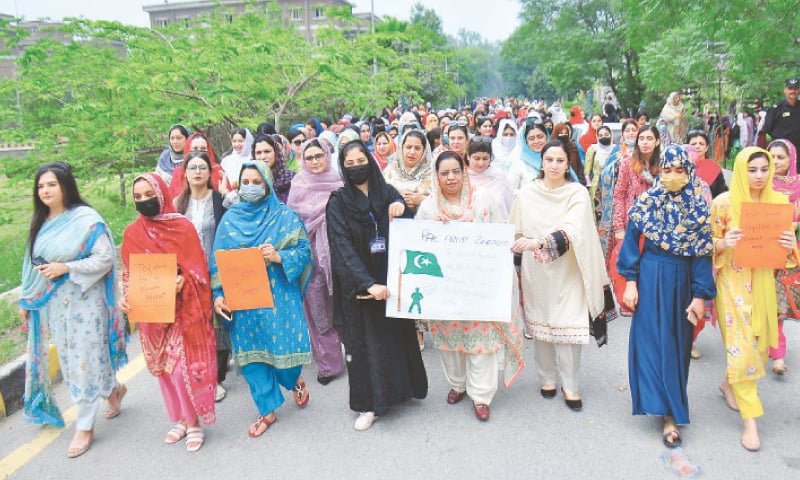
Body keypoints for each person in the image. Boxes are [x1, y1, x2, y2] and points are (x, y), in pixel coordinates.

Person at [20, 162, 128, 458]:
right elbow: (31, 265)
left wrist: (66, 267)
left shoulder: (86, 220)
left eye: (51, 184)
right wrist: (27, 300)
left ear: (65, 186)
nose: (45, 191)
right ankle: (113, 390)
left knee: (85, 359)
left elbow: (105, 258)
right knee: (72, 360)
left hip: (86, 300)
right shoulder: (39, 223)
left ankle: (85, 426)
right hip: (55, 304)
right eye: (41, 186)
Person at [618, 145, 716, 449]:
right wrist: (631, 282)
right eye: (667, 170)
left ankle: (672, 412)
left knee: (676, 346)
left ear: (689, 172)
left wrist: (700, 296)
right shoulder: (646, 203)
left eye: (679, 170)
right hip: (649, 276)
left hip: (682, 281)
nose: (673, 176)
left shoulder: (698, 209)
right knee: (648, 343)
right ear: (659, 170)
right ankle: (661, 409)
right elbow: (631, 243)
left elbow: (702, 256)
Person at [326, 140, 428, 431]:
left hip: (391, 277)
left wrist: (402, 207)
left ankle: (401, 391)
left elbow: (409, 230)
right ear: (343, 168)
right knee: (364, 346)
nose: (356, 167)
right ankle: (369, 405)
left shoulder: (388, 192)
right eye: (350, 164)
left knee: (394, 338)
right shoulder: (338, 202)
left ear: (370, 162)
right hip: (360, 286)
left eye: (361, 161)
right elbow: (341, 247)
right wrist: (367, 283)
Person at [416, 150, 524, 421]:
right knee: (450, 340)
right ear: (436, 176)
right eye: (444, 173)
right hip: (445, 291)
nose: (451, 177)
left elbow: (500, 235)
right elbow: (418, 244)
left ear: (464, 172)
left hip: (479, 288)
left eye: (456, 171)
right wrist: (433, 230)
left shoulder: (483, 199)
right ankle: (458, 384)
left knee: (480, 341)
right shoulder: (429, 208)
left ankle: (481, 395)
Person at [211, 160, 313, 438]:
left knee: (283, 351)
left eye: (257, 182)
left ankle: (294, 379)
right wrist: (218, 296)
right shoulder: (230, 220)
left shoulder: (285, 216)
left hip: (278, 297)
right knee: (252, 357)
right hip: (243, 301)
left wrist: (279, 256)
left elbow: (304, 252)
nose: (251, 187)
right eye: (245, 182)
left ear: (267, 184)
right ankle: (266, 409)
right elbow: (217, 263)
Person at [510, 141, 610, 412]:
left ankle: (571, 386)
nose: (554, 165)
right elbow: (514, 229)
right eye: (549, 160)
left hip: (569, 269)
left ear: (568, 164)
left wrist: (540, 242)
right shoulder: (527, 193)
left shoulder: (577, 193)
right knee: (540, 324)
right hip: (536, 270)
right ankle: (547, 379)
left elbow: (573, 229)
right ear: (541, 162)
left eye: (560, 160)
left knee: (568, 327)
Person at [120, 173, 217, 452]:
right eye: (138, 197)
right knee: (163, 370)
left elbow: (199, 269)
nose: (144, 201)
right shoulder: (132, 233)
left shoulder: (181, 227)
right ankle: (180, 420)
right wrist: (126, 298)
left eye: (149, 195)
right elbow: (129, 272)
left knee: (179, 370)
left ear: (161, 194)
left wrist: (183, 281)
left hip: (183, 312)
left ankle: (194, 422)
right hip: (152, 314)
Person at [712, 147, 796, 451]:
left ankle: (729, 383)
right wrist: (723, 242)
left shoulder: (778, 204)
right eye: (752, 170)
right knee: (743, 348)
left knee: (759, 348)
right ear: (740, 170)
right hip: (732, 285)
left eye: (764, 169)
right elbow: (707, 243)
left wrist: (790, 243)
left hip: (762, 285)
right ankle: (751, 421)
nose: (759, 176)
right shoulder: (723, 203)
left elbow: (784, 256)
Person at [174, 151, 232, 402]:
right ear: (185, 173)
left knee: (217, 325)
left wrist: (228, 194)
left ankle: (216, 378)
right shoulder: (177, 204)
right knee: (195, 326)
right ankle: (199, 374)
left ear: (210, 172)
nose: (197, 172)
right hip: (187, 276)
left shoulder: (219, 200)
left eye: (202, 167)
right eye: (192, 167)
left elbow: (236, 221)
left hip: (216, 271)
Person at [287, 139, 345, 385]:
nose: (314, 161)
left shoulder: (340, 182)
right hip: (310, 260)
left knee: (343, 308)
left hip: (340, 256)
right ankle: (329, 364)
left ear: (327, 155)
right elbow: (292, 223)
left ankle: (353, 353)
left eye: (318, 156)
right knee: (318, 311)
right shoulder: (299, 184)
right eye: (309, 158)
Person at [612, 125, 661, 314]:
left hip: (657, 225)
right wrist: (618, 226)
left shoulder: (665, 164)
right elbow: (619, 195)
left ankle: (649, 303)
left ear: (657, 141)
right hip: (631, 223)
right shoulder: (628, 163)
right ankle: (629, 301)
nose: (645, 143)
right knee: (631, 262)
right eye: (642, 138)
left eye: (650, 138)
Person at [768, 139, 799, 375]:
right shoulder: (760, 182)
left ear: (792, 159)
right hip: (760, 251)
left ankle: (778, 355)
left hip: (788, 255)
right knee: (758, 303)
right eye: (772, 157)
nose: (776, 161)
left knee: (778, 306)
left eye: (781, 157)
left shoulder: (798, 187)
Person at [598, 119, 640, 259]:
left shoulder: (644, 151)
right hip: (617, 202)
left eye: (634, 130)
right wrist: (617, 166)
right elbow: (604, 173)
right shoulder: (616, 151)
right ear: (622, 134)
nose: (631, 133)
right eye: (627, 131)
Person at [383, 129, 432, 216]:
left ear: (424, 151)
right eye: (408, 147)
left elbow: (444, 202)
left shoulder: (432, 174)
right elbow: (378, 200)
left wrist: (423, 200)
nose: (412, 152)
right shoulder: (389, 173)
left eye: (417, 148)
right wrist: (398, 201)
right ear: (401, 148)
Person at [168, 132, 230, 200]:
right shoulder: (178, 173)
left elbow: (229, 200)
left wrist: (225, 192)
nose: (199, 152)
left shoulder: (217, 170)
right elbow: (171, 199)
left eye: (203, 149)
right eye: (195, 149)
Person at [466, 137, 513, 220]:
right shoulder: (461, 178)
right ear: (468, 156)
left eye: (485, 159)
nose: (481, 163)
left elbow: (510, 207)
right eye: (477, 159)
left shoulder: (499, 178)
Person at [763, 78, 800, 161]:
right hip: (781, 149)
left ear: (799, 90)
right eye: (790, 88)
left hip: (798, 149)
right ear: (785, 90)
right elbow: (768, 128)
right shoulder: (777, 108)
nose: (793, 91)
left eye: (795, 88)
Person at [252, 133, 295, 203]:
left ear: (276, 153)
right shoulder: (250, 180)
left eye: (267, 151)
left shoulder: (291, 178)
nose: (263, 157)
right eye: (258, 153)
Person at [508, 122, 548, 191]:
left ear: (547, 137)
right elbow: (510, 190)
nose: (536, 141)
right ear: (525, 141)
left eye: (540, 137)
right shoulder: (519, 163)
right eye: (531, 139)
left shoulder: (554, 160)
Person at [687, 130, 728, 198]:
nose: (697, 146)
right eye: (693, 144)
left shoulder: (714, 168)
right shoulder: (682, 168)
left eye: (701, 144)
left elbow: (722, 195)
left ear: (706, 148)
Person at [585, 125, 614, 212]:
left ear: (611, 135)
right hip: (597, 187)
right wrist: (588, 185)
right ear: (597, 137)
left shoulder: (616, 150)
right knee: (597, 212)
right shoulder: (593, 149)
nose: (603, 137)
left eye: (606, 135)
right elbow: (587, 170)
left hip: (613, 186)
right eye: (600, 135)